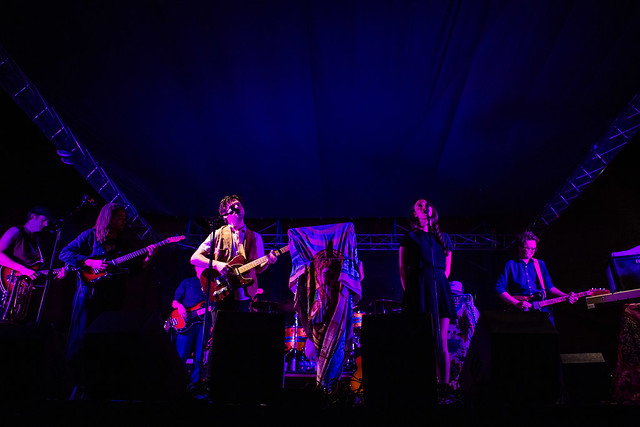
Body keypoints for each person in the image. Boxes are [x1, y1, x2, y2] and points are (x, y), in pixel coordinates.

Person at [58, 203, 158, 395]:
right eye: (119, 218)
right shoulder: (90, 236)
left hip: (113, 297)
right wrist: (90, 261)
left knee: (104, 339)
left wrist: (148, 259)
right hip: (88, 296)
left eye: (124, 218)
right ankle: (72, 384)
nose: (123, 222)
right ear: (108, 218)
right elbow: (65, 253)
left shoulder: (124, 242)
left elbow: (132, 272)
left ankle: (95, 384)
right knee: (79, 339)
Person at [399, 198, 456, 386]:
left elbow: (447, 269)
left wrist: (438, 283)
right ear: (415, 213)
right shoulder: (410, 237)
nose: (424, 207)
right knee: (425, 339)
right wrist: (409, 292)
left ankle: (444, 385)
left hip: (439, 287)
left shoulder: (443, 237)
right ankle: (427, 383)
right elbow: (402, 267)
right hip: (419, 289)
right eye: (419, 205)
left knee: (441, 340)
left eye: (426, 204)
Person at [190, 194, 278, 314]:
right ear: (225, 214)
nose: (237, 207)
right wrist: (216, 264)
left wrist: (268, 262)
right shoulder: (218, 234)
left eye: (238, 204)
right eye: (232, 206)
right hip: (221, 291)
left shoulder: (256, 237)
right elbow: (194, 258)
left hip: (244, 295)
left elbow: (258, 269)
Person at [0, 206, 67, 323]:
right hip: (10, 285)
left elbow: (37, 272)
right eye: (44, 220)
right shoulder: (16, 231)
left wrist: (56, 277)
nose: (46, 224)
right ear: (33, 217)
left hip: (26, 293)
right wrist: (23, 269)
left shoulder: (38, 240)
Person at [496, 230, 577, 324]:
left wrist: (565, 295)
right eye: (529, 248)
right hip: (520, 312)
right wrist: (516, 303)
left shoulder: (540, 264)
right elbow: (499, 288)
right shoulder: (510, 265)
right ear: (520, 248)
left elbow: (549, 287)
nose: (532, 251)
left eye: (534, 249)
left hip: (542, 310)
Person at [171, 275, 209, 389]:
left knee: (199, 359)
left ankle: (194, 388)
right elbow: (175, 302)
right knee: (181, 356)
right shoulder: (187, 282)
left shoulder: (212, 283)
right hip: (186, 323)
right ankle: (176, 386)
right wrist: (179, 306)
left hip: (204, 324)